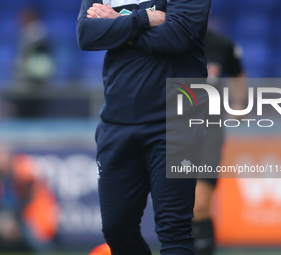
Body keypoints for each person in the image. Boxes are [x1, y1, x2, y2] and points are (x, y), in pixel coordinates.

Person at [77, 0, 211, 254]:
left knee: (174, 230)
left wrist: (117, 24)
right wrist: (144, 19)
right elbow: (86, 35)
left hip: (176, 120)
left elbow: (175, 37)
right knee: (117, 231)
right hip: (117, 120)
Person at [192, 29, 247, 255]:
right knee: (175, 207)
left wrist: (239, 104)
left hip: (208, 128)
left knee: (199, 204)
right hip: (169, 127)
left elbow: (237, 74)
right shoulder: (163, 37)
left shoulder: (221, 44)